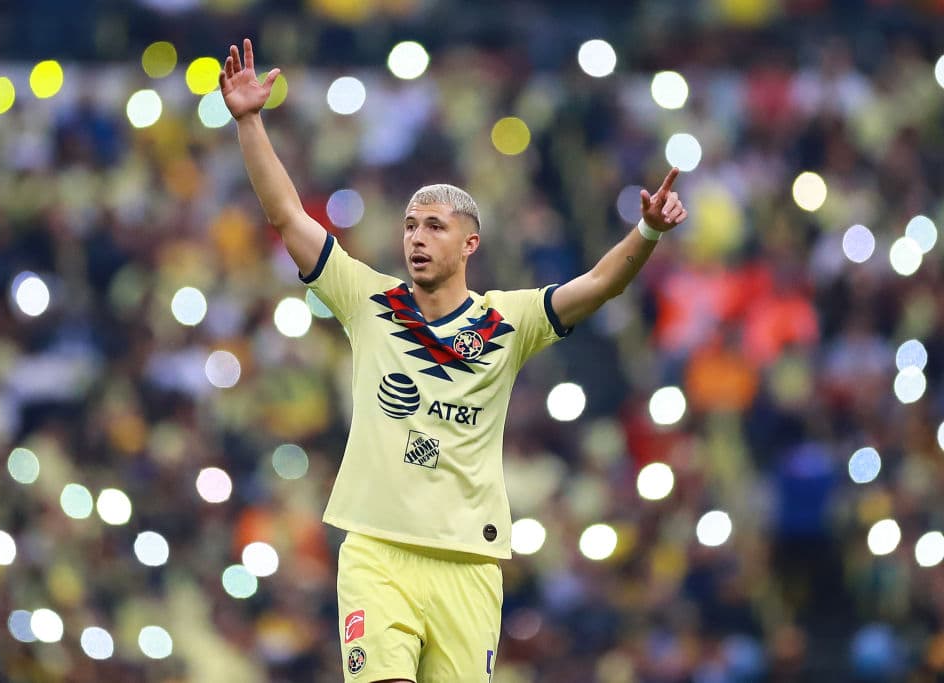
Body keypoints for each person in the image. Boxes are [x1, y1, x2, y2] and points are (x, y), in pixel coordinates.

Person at [219, 38, 687, 682]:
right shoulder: (368, 300)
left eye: (434, 226)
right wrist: (249, 121)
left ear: (470, 243)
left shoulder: (509, 321)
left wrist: (649, 231)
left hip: (468, 563)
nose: (417, 237)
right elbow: (286, 217)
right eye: (410, 225)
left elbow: (601, 285)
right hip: (377, 551)